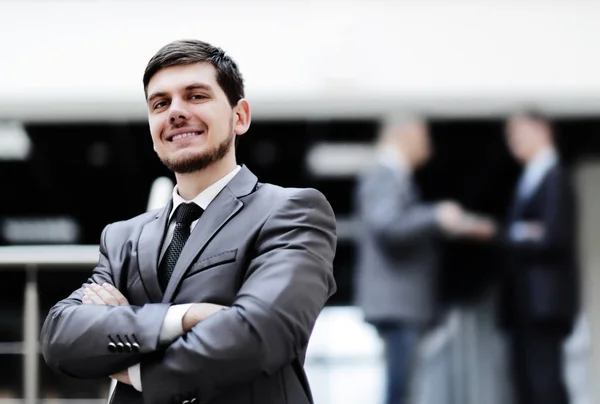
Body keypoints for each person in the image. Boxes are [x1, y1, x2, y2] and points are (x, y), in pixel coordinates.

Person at [40, 39, 337, 404]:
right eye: (160, 103)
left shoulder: (292, 211)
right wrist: (182, 317)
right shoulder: (122, 237)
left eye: (196, 96)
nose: (175, 112)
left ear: (239, 116)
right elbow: (61, 337)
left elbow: (260, 333)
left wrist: (136, 369)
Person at [353, 116, 495, 404]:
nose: (428, 147)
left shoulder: (395, 177)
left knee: (403, 385)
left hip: (401, 301)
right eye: (423, 139)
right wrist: (437, 216)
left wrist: (454, 225)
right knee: (400, 387)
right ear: (405, 137)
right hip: (397, 302)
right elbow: (390, 227)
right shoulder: (384, 175)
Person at [502, 111, 579, 404]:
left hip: (546, 301)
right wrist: (524, 231)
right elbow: (531, 232)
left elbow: (553, 236)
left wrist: (513, 234)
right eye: (509, 137)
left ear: (542, 130)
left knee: (545, 382)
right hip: (524, 301)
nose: (513, 142)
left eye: (518, 133)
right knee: (527, 384)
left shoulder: (555, 175)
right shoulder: (528, 179)